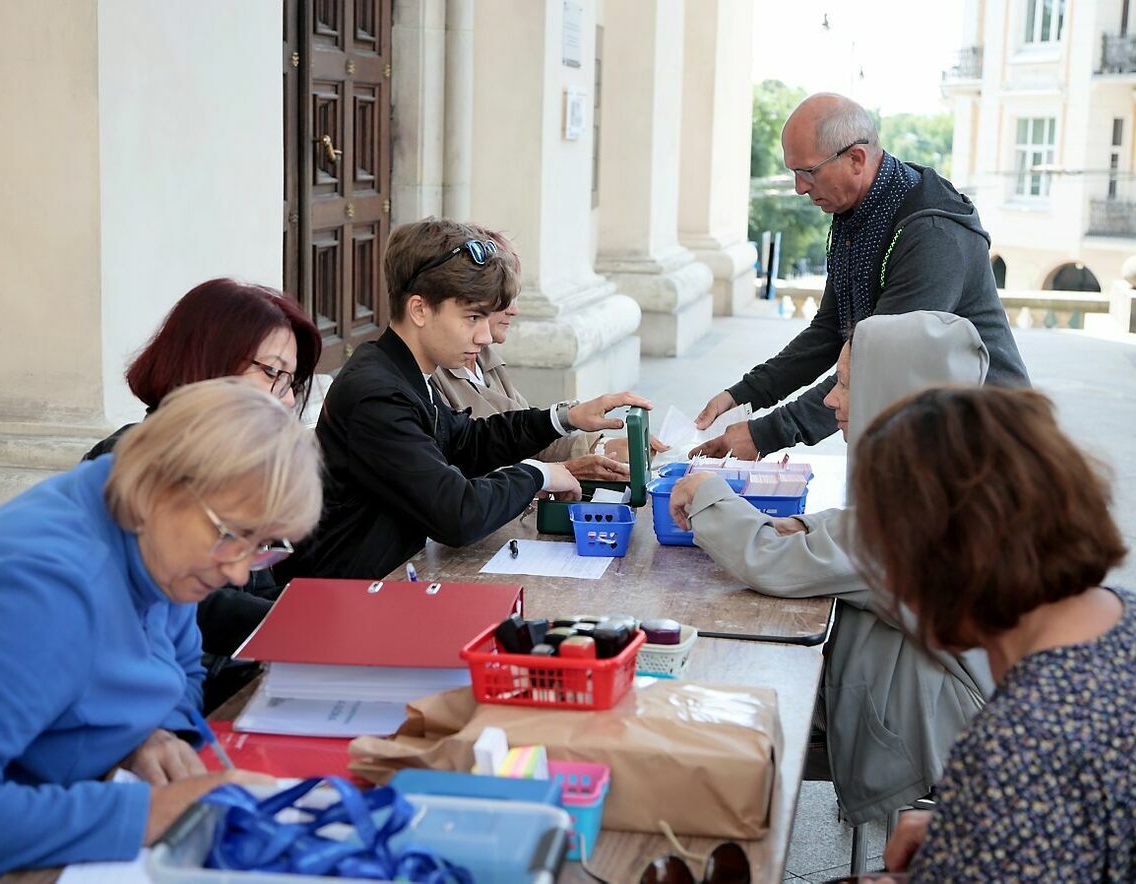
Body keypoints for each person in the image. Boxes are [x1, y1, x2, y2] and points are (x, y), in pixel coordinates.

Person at [0, 379, 322, 878]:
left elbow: (183, 667)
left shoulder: (154, 542)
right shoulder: (50, 593)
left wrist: (150, 733)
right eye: (233, 536)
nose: (238, 573)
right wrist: (143, 815)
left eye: (264, 546)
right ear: (157, 488)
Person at [851, 388, 1136, 880]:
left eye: (891, 553)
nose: (889, 581)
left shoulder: (1018, 747)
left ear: (949, 556)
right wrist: (968, 830)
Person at [668, 312, 993, 826]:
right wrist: (799, 525)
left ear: (894, 395)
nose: (830, 401)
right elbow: (853, 530)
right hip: (947, 705)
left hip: (934, 739)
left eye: (844, 384)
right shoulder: (949, 472)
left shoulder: (918, 516)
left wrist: (708, 492)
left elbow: (771, 565)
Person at [285, 218, 651, 580]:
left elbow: (468, 441)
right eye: (472, 317)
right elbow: (456, 514)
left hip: (385, 582)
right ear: (419, 309)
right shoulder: (376, 394)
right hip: (343, 599)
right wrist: (539, 474)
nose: (485, 336)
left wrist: (563, 418)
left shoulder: (402, 372)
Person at [692, 92, 1028, 459]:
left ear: (855, 158)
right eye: (794, 173)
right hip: (924, 426)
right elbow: (829, 331)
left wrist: (766, 434)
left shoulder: (932, 234)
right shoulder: (856, 213)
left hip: (991, 441)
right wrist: (745, 395)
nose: (799, 188)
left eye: (807, 172)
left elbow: (879, 368)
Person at [84, 277, 323, 710]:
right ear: (210, 359)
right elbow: (182, 608)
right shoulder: (127, 464)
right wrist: (300, 625)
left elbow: (258, 585)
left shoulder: (234, 463)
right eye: (273, 373)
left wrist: (318, 618)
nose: (286, 401)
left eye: (289, 383)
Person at [431, 225, 668, 480]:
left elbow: (528, 438)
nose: (515, 310)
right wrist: (557, 471)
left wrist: (602, 447)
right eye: (501, 300)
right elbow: (467, 480)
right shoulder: (429, 378)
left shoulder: (485, 359)